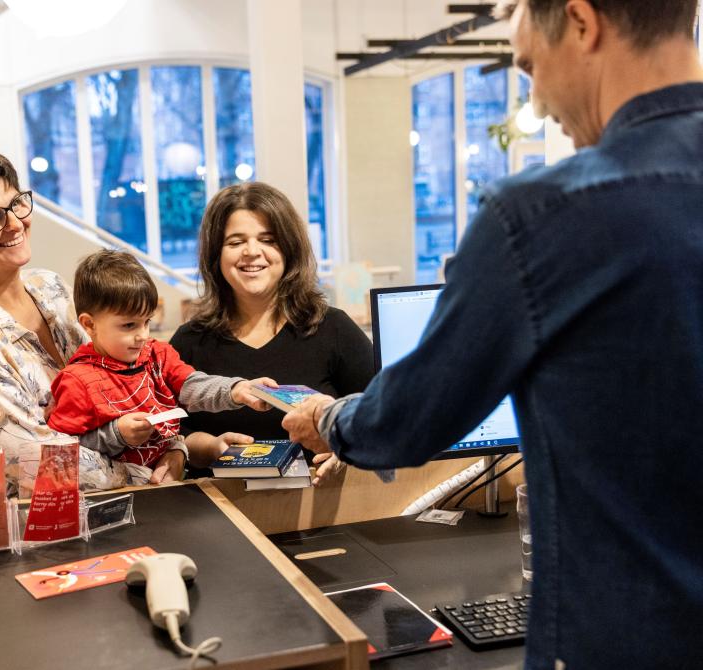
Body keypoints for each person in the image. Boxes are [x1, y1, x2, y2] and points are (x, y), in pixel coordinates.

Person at [283, 1, 703, 668]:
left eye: (530, 66)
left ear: (582, 23)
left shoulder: (543, 218)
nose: (535, 101)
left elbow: (412, 417)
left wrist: (326, 417)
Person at [0, 149, 128, 497]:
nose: (15, 223)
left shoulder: (51, 288)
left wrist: (168, 443)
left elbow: (116, 380)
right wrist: (138, 470)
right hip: (31, 532)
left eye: (16, 204)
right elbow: (34, 461)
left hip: (114, 506)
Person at [170, 182, 375, 483]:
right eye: (235, 242)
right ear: (216, 254)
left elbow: (379, 414)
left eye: (268, 239)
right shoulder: (189, 342)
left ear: (289, 249)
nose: (252, 252)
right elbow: (168, 432)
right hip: (218, 513)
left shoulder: (333, 329)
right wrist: (210, 447)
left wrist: (344, 449)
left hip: (320, 511)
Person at [46, 250, 275, 485]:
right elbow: (61, 451)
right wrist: (116, 434)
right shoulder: (77, 381)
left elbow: (192, 385)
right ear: (89, 324)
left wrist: (235, 390)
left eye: (147, 321)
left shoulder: (157, 354)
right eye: (129, 325)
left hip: (168, 486)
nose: (142, 335)